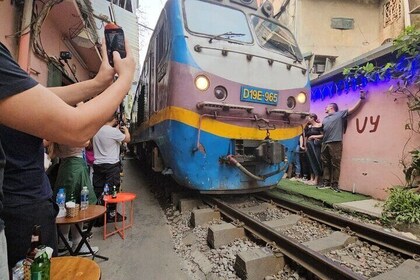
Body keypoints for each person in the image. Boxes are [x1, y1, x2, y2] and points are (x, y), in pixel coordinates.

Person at [0, 39, 135, 270]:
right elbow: (78, 131)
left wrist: (98, 83)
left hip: (23, 204)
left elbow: (44, 97)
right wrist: (124, 80)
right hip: (21, 208)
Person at [52, 142, 98, 255]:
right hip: (75, 165)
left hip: (64, 166)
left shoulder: (57, 130)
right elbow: (86, 142)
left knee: (64, 206)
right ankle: (77, 243)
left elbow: (53, 153)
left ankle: (63, 243)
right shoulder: (72, 128)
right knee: (79, 205)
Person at [320, 92, 366, 192]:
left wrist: (361, 99)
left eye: (326, 107)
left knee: (335, 163)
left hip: (335, 142)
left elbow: (352, 109)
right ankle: (325, 182)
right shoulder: (325, 119)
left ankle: (334, 184)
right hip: (325, 142)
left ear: (332, 107)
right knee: (325, 163)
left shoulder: (339, 114)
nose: (325, 108)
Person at [92, 115, 130, 222]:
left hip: (98, 165)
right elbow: (127, 139)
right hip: (111, 165)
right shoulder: (113, 132)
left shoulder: (96, 131)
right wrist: (126, 130)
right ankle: (112, 214)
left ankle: (99, 215)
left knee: (98, 189)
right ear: (114, 119)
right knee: (113, 190)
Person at [305, 113, 323, 186]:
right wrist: (305, 145)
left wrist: (313, 136)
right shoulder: (309, 126)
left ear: (312, 118)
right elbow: (306, 136)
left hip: (315, 145)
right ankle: (311, 178)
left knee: (316, 160)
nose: (308, 119)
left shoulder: (319, 125)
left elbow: (323, 135)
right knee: (310, 161)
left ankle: (316, 179)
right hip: (309, 145)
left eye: (309, 117)